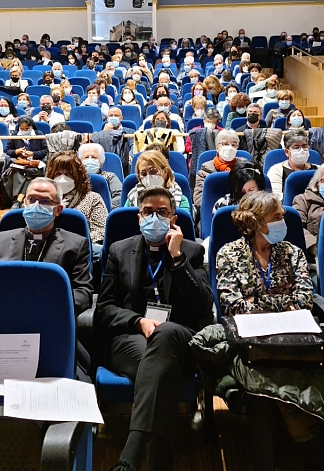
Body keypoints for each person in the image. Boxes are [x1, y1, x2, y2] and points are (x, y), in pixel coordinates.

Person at [96, 186, 213, 471]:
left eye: (162, 212)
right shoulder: (119, 250)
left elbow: (203, 305)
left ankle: (129, 458)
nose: (154, 217)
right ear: (139, 218)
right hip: (131, 338)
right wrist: (138, 322)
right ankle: (159, 462)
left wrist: (177, 258)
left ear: (174, 218)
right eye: (148, 212)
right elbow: (105, 308)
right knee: (162, 375)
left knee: (166, 333)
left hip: (180, 339)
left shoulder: (191, 252)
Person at [215, 190, 315, 470]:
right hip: (251, 339)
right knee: (264, 389)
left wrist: (256, 302)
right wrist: (283, 301)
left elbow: (305, 299)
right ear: (257, 222)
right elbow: (231, 305)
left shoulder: (292, 252)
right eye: (277, 217)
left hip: (293, 335)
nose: (284, 221)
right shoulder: (229, 254)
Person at [0, 177, 92, 316]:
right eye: (31, 199)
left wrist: (46, 308)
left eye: (45, 201)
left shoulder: (75, 245)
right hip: (4, 319)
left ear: (58, 210)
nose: (36, 205)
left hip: (51, 319)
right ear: (24, 203)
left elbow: (83, 293)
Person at [45, 151, 108, 262]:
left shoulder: (93, 198)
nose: (62, 178)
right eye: (58, 174)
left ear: (78, 176)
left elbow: (101, 231)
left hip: (80, 251)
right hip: (46, 248)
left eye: (68, 174)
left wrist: (70, 242)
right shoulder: (41, 200)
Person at [2, 116, 48, 209]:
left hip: (34, 164)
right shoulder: (15, 135)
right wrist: (16, 152)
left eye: (27, 129)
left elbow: (45, 151)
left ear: (31, 127)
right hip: (19, 164)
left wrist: (33, 153)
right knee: (15, 173)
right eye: (22, 129)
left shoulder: (39, 134)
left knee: (30, 173)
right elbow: (7, 150)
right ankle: (21, 200)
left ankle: (17, 201)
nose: (24, 131)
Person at [125, 150, 191, 213]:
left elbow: (183, 223)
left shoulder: (181, 200)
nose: (148, 177)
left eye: (153, 172)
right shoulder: (131, 198)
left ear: (165, 172)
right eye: (143, 174)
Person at [193, 129, 242, 208]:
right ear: (217, 148)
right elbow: (198, 199)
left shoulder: (244, 167)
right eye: (226, 144)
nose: (230, 148)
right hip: (214, 212)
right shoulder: (205, 171)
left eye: (233, 145)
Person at [267, 129, 319, 201]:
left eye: (304, 146)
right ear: (286, 152)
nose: (301, 150)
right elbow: (277, 198)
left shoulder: (318, 169)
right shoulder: (276, 171)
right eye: (296, 147)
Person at [77, 143, 122, 210]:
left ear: (101, 162)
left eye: (94, 157)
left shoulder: (110, 177)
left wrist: (102, 209)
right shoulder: (76, 178)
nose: (90, 160)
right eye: (86, 157)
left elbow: (120, 196)